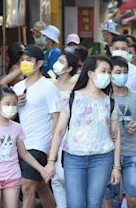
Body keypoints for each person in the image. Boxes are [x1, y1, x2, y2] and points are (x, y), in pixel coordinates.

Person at [45, 56, 121, 207]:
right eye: (103, 71)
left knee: (94, 204)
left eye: (109, 72)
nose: (107, 75)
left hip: (102, 159)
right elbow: (59, 131)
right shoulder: (72, 98)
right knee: (75, 204)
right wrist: (51, 161)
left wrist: (116, 167)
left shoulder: (110, 102)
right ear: (90, 73)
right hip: (74, 158)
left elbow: (116, 136)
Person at [0, 88, 51, 208]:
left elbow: (24, 153)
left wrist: (41, 169)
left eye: (14, 104)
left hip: (12, 176)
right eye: (7, 104)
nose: (11, 107)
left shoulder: (17, 128)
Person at [12, 45, 60, 208]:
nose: (24, 63)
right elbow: (8, 116)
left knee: (26, 185)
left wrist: (53, 150)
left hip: (40, 144)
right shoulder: (18, 88)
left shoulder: (48, 87)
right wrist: (14, 105)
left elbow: (57, 119)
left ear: (39, 63)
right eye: (22, 60)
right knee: (42, 187)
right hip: (21, 143)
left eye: (28, 60)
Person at [105, 56, 136, 208]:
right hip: (107, 154)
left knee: (133, 198)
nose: (122, 75)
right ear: (110, 74)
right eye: (118, 72)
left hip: (132, 152)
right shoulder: (104, 98)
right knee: (108, 198)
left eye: (125, 72)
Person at [50, 52, 79, 208]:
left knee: (66, 176)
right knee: (55, 178)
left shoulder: (76, 88)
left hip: (69, 133)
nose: (57, 64)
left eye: (61, 61)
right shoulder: (49, 84)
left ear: (69, 68)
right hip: (50, 132)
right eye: (57, 60)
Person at [110, 35, 136, 106]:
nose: (120, 51)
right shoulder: (104, 69)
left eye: (123, 49)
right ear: (111, 49)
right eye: (117, 48)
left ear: (128, 50)